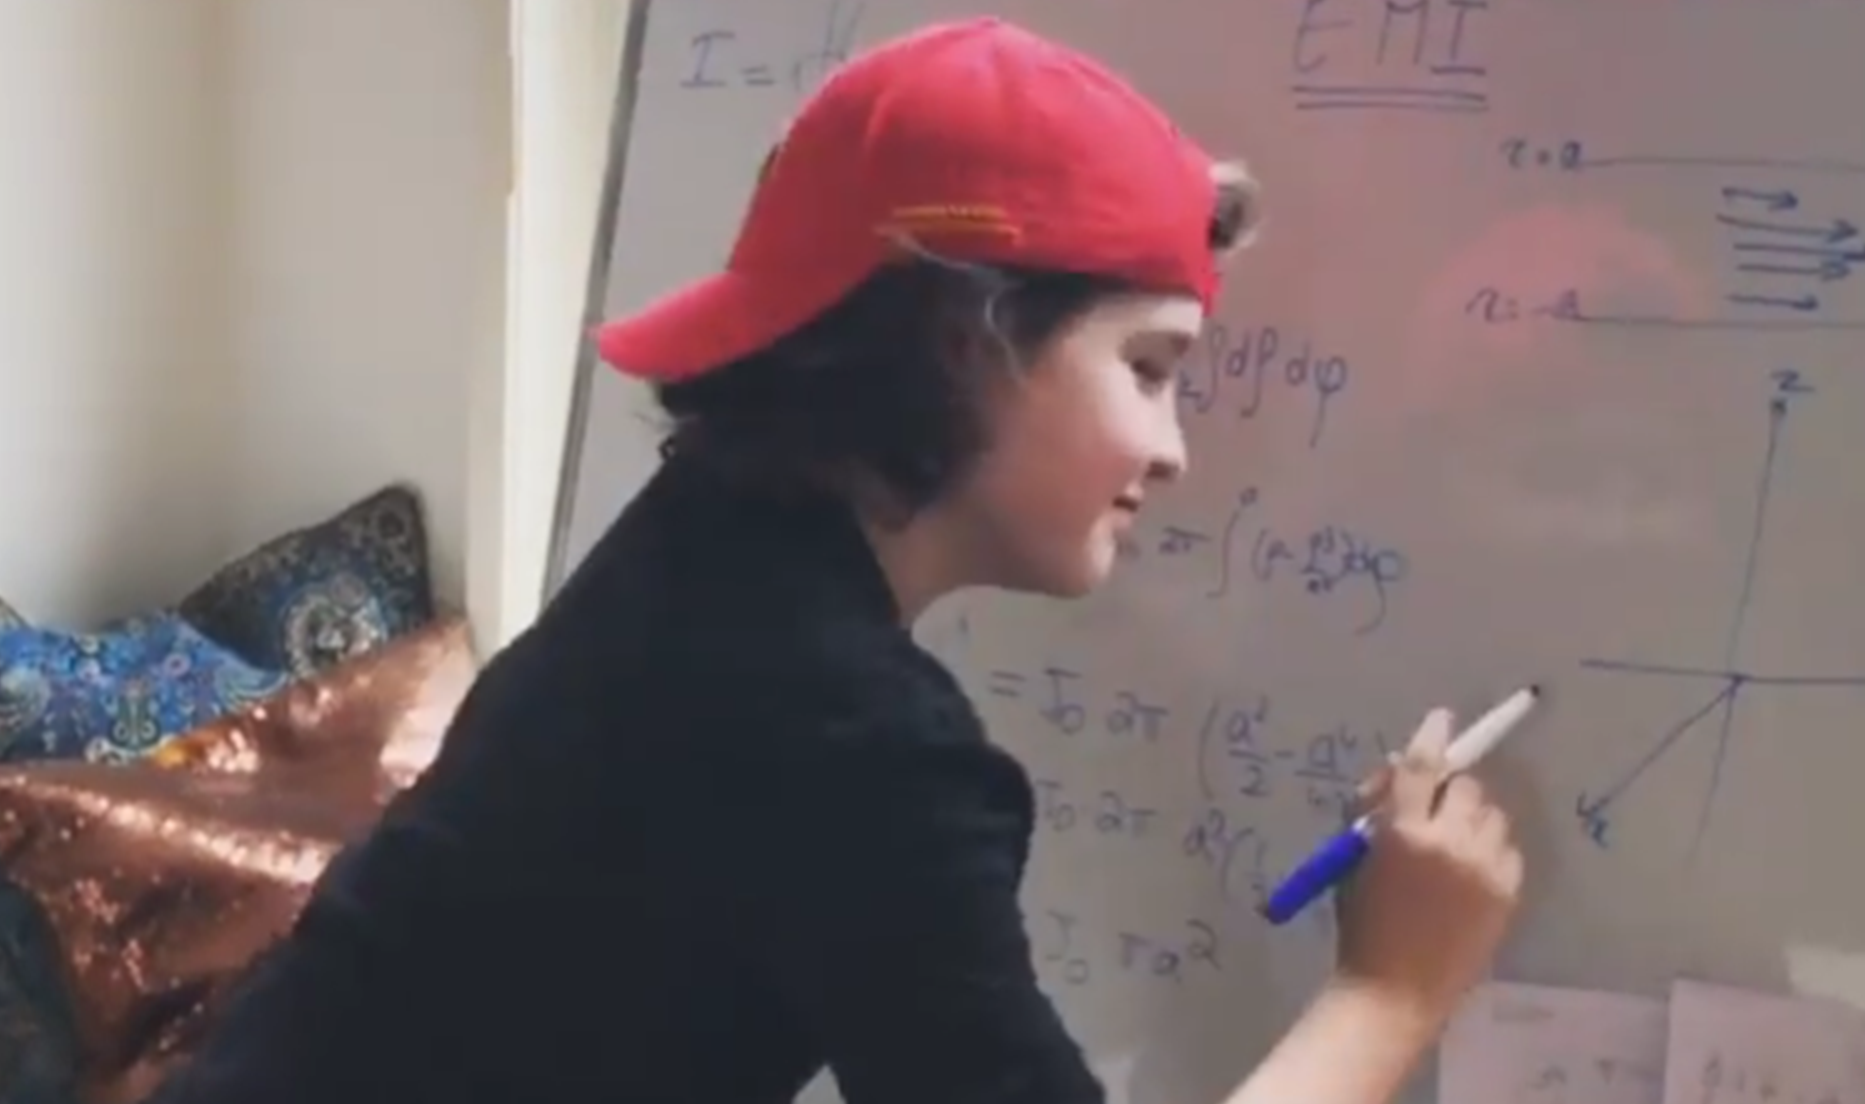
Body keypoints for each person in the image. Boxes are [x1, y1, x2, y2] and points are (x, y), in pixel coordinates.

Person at [145, 16, 1524, 1104]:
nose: (1173, 451)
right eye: (1149, 370)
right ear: (965, 340)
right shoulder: (847, 733)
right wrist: (1392, 990)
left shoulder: (702, 552)